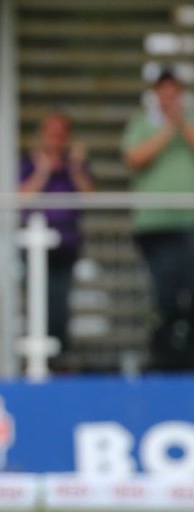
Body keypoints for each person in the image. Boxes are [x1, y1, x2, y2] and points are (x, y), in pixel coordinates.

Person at [122, 69, 194, 371]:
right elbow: (135, 158)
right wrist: (167, 129)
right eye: (163, 93)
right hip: (155, 227)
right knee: (163, 294)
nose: (169, 99)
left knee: (189, 291)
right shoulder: (143, 123)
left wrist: (181, 124)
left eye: (173, 93)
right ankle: (163, 352)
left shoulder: (188, 123)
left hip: (189, 224)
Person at [19, 112, 95, 368]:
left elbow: (89, 198)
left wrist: (74, 168)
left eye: (61, 135)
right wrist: (42, 171)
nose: (55, 140)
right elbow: (22, 198)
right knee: (37, 303)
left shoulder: (75, 166)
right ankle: (36, 359)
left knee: (61, 303)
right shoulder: (29, 164)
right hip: (34, 247)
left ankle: (60, 356)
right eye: (51, 134)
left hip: (67, 245)